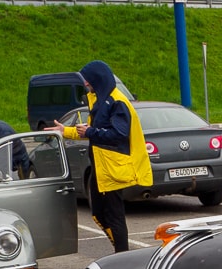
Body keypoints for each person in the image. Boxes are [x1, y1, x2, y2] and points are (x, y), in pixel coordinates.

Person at [47, 60, 152, 253]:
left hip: (113, 167)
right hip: (100, 166)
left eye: (87, 80)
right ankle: (121, 252)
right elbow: (89, 131)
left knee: (114, 215)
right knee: (98, 214)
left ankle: (122, 255)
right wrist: (65, 131)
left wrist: (90, 132)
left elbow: (118, 134)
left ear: (97, 79)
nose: (85, 84)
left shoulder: (117, 101)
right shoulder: (99, 99)